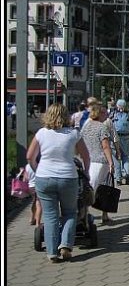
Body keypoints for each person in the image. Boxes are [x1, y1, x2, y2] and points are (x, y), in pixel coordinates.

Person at [26, 103, 91, 262]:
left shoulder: (41, 133)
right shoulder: (74, 134)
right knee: (70, 212)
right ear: (65, 116)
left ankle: (52, 252)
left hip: (44, 178)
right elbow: (85, 156)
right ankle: (66, 245)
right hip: (68, 178)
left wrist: (37, 170)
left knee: (50, 216)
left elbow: (29, 157)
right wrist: (86, 172)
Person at [81, 102, 116, 224]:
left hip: (88, 161)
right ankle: (86, 215)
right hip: (100, 162)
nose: (107, 115)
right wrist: (111, 162)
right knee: (99, 189)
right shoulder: (102, 127)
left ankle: (97, 214)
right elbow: (106, 146)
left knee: (90, 188)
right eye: (105, 113)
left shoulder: (86, 126)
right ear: (99, 114)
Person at [110, 99, 129, 185]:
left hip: (115, 138)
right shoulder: (128, 116)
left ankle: (118, 179)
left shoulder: (113, 115)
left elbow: (108, 126)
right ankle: (127, 175)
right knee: (126, 157)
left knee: (116, 159)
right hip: (126, 138)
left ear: (117, 106)